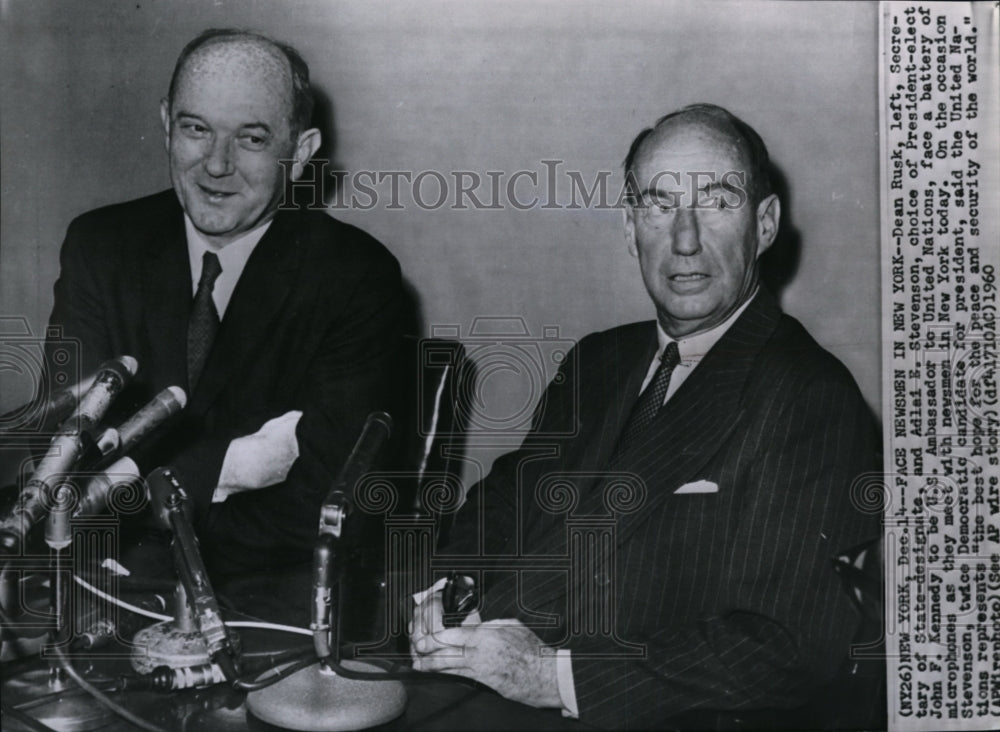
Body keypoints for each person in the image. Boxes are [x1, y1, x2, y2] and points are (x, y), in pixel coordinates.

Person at [410, 104, 881, 729]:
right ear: (630, 229)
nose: (685, 239)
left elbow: (792, 645)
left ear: (764, 225)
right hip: (487, 681)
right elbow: (507, 499)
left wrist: (549, 675)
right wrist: (451, 592)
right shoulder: (599, 359)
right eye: (659, 206)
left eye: (716, 203)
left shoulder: (809, 395)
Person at [43, 29, 403, 574]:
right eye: (196, 129)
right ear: (167, 125)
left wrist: (129, 496)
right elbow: (60, 464)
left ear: (299, 153)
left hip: (263, 599)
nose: (216, 164)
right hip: (101, 583)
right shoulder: (101, 247)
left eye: (252, 139)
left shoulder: (355, 278)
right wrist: (233, 467)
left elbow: (328, 509)